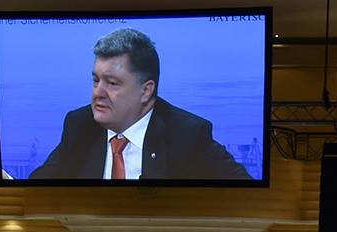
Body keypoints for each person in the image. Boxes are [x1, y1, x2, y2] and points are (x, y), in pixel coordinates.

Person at [29, 28, 249, 182]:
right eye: (96, 81)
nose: (98, 93)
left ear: (146, 91)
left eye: (112, 83)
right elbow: (37, 190)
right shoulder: (80, 126)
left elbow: (246, 193)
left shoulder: (187, 134)